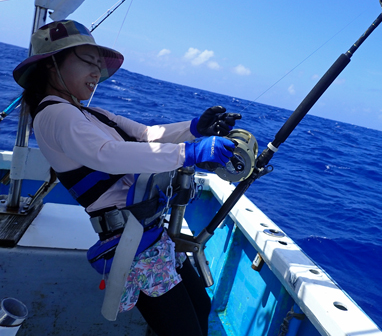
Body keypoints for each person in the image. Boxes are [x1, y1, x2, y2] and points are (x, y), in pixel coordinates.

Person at [13, 19, 242, 336]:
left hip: (152, 237)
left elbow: (147, 135)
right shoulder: (53, 114)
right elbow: (107, 154)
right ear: (52, 64)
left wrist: (195, 129)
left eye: (98, 65)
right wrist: (188, 153)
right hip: (132, 247)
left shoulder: (92, 114)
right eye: (87, 62)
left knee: (200, 310)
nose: (96, 73)